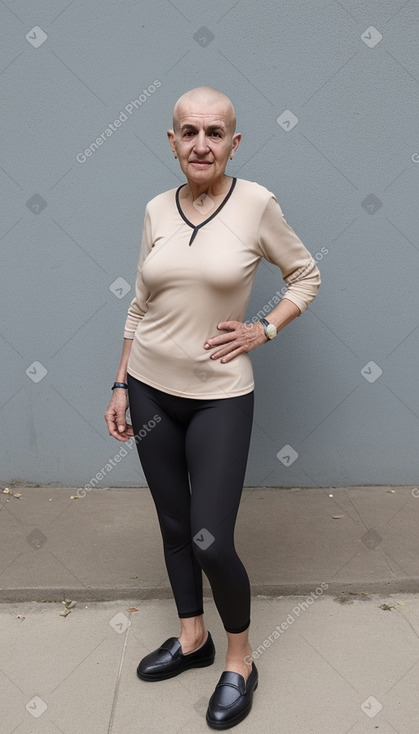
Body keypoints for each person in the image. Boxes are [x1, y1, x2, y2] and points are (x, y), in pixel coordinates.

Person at [105, 86, 321, 729]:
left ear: (234, 141)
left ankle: (240, 660)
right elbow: (139, 306)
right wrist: (120, 383)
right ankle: (193, 639)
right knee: (174, 526)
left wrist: (264, 329)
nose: (202, 144)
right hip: (148, 387)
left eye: (215, 132)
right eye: (189, 132)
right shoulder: (154, 209)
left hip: (217, 397)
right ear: (172, 141)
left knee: (210, 537)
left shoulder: (257, 204)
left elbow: (305, 275)